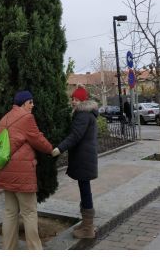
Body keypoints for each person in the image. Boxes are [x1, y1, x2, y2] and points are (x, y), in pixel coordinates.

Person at [0, 89, 55, 249]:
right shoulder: (26, 118)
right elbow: (38, 139)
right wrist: (51, 149)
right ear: (23, 103)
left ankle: (8, 248)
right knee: (29, 212)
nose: (33, 105)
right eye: (30, 102)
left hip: (5, 172)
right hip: (22, 175)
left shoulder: (5, 118)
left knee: (10, 212)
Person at [53, 86, 99, 239]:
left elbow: (75, 136)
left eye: (75, 99)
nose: (72, 102)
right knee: (85, 189)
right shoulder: (88, 113)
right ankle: (87, 223)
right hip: (86, 157)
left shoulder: (82, 114)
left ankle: (88, 229)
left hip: (83, 158)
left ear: (82, 100)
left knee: (85, 190)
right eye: (72, 99)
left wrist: (59, 148)